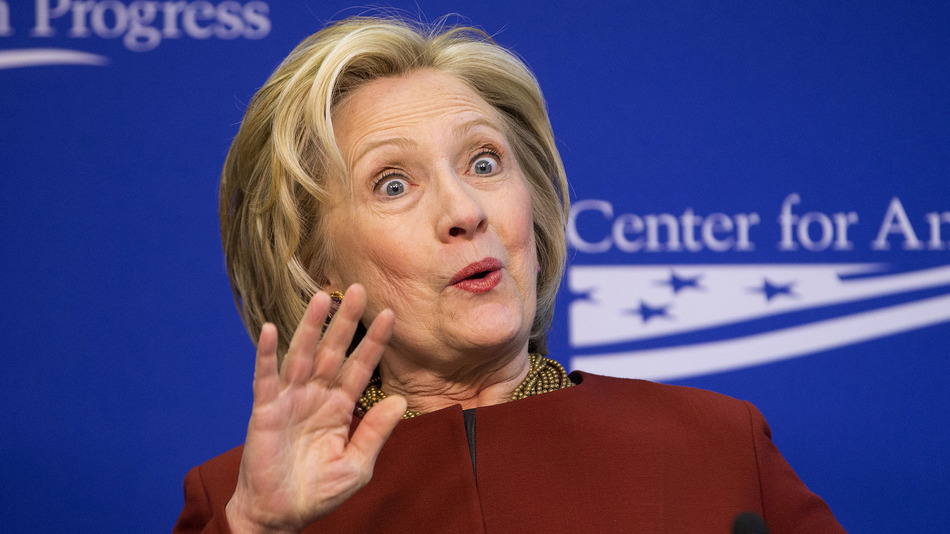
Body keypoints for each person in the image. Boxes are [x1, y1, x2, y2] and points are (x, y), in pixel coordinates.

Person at [174, 15, 845, 533]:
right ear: (318, 265)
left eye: (484, 163)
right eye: (393, 183)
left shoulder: (717, 445)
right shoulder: (240, 499)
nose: (464, 210)